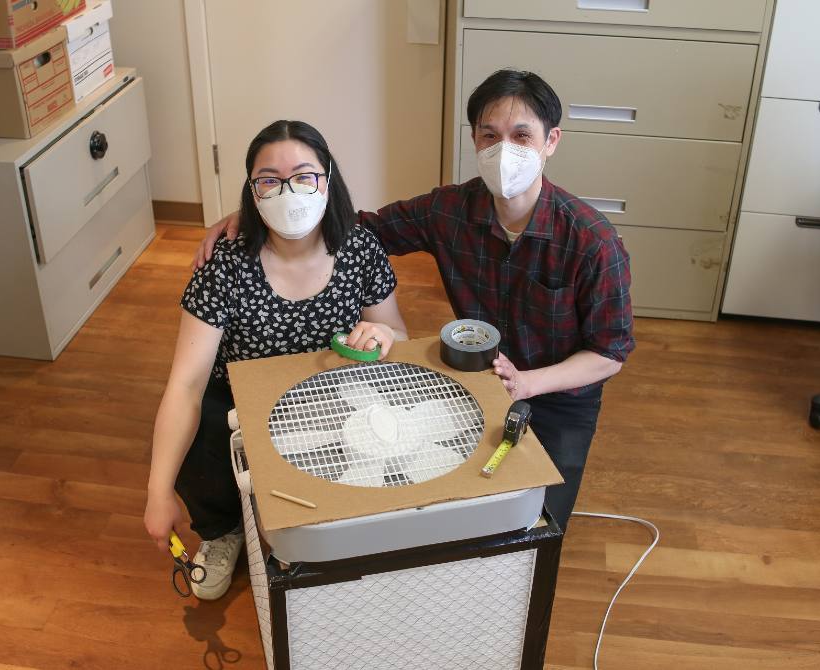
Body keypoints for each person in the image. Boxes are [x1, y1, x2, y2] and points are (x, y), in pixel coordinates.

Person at [194, 70, 634, 533]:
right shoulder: (450, 210)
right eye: (490, 135)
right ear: (474, 140)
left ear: (551, 141)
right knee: (450, 502)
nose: (504, 149)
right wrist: (266, 207)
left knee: (537, 523)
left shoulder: (592, 241)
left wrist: (527, 384)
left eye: (521, 135)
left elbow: (610, 352)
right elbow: (358, 227)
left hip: (562, 394)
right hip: (477, 373)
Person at [146, 120, 407, 600]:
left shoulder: (360, 247)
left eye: (304, 175)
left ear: (328, 179)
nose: (289, 191)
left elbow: (398, 333)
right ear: (252, 191)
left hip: (330, 389)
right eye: (269, 179)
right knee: (202, 419)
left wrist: (383, 332)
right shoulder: (226, 262)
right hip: (242, 401)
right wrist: (158, 493)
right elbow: (184, 385)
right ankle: (223, 531)